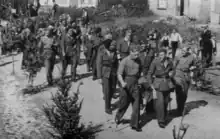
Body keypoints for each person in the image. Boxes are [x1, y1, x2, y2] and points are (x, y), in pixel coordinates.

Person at [115, 44, 142, 132]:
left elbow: (140, 73)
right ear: (130, 52)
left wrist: (141, 82)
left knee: (136, 105)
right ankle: (118, 116)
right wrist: (122, 82)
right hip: (126, 83)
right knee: (124, 103)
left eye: (138, 54)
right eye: (135, 54)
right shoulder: (124, 61)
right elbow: (119, 74)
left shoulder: (139, 61)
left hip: (135, 83)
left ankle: (135, 124)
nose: (137, 56)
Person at [147, 49, 174, 128]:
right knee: (160, 102)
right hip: (158, 83)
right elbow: (150, 73)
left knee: (165, 102)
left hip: (167, 83)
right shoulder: (155, 61)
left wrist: (171, 74)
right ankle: (161, 120)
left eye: (162, 55)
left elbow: (173, 70)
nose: (160, 57)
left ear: (165, 54)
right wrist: (150, 83)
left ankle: (163, 116)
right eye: (159, 55)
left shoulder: (170, 61)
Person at [97, 40, 118, 115]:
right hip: (105, 73)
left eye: (114, 45)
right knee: (107, 90)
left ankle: (108, 101)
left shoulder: (115, 52)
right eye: (112, 45)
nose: (113, 46)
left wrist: (118, 73)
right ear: (108, 46)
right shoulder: (102, 52)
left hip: (113, 73)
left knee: (112, 90)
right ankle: (107, 107)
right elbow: (98, 64)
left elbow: (116, 63)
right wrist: (99, 77)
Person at [173, 46, 196, 116]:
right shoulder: (177, 56)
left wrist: (193, 68)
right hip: (178, 74)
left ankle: (182, 106)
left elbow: (195, 65)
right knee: (179, 91)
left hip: (186, 75)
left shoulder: (192, 57)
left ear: (188, 51)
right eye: (182, 50)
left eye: (184, 51)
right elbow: (173, 66)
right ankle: (179, 109)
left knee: (185, 94)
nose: (183, 52)